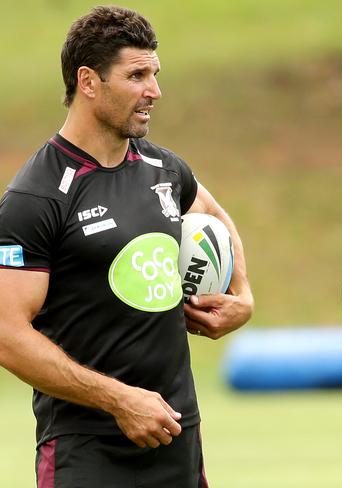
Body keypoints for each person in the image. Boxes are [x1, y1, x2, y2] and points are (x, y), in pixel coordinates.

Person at [0, 6, 253, 487]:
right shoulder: (37, 196)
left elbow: (216, 218)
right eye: (137, 75)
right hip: (88, 452)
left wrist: (243, 297)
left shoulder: (164, 169)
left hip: (178, 439)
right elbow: (7, 334)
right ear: (88, 81)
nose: (154, 91)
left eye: (154, 74)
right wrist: (119, 399)